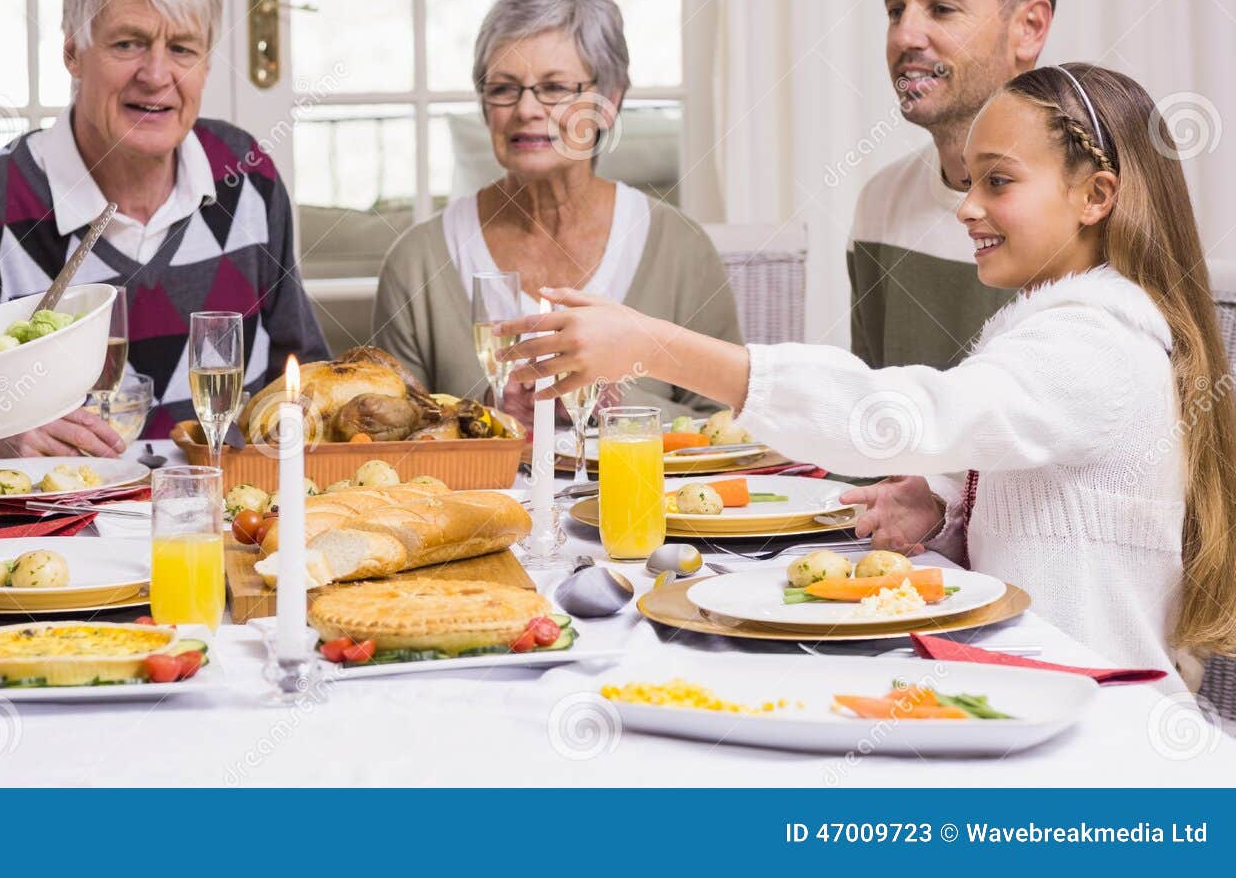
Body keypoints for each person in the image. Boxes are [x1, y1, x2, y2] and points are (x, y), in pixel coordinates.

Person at [499, 64, 1236, 682]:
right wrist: (945, 503)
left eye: (999, 181)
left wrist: (654, 345)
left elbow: (898, 414)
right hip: (1034, 684)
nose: (968, 206)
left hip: (1100, 721)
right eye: (969, 180)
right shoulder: (1064, 325)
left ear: (1095, 195)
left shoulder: (1095, 342)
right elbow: (1030, 464)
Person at [0, 0, 329, 449]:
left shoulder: (246, 176)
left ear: (205, 65)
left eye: (182, 48)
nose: (156, 75)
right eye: (127, 44)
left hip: (227, 515)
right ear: (73, 53)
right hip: (53, 521)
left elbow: (304, 373)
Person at [373, 0, 739, 423]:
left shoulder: (680, 249)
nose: (526, 110)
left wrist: (610, 404)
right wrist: (486, 415)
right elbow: (388, 443)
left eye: (555, 87)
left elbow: (728, 425)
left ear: (610, 100)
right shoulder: (418, 262)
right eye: (503, 88)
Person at [852, 0, 1054, 370]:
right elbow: (869, 412)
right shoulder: (879, 205)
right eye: (895, 11)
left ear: (1029, 29)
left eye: (942, 9)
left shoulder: (1091, 208)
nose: (905, 35)